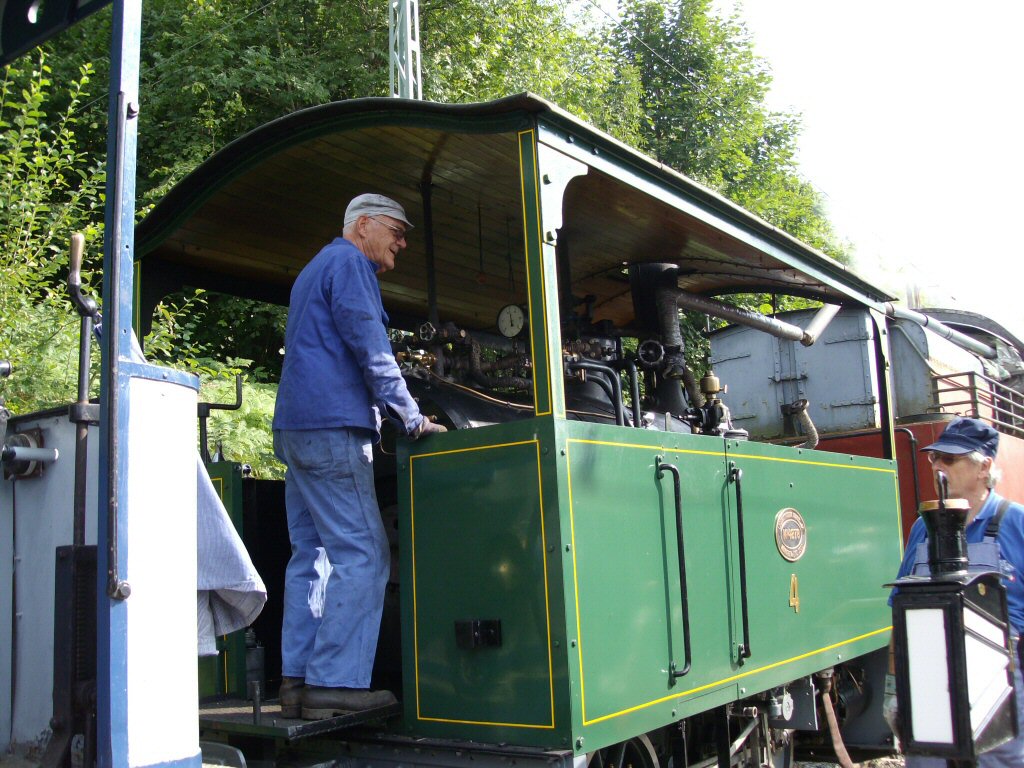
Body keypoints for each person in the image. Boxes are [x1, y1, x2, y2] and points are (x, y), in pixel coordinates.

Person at [272, 193, 446, 720]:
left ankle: (296, 681)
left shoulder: (315, 267)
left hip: (296, 429)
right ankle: (336, 683)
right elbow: (373, 348)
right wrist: (412, 418)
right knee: (364, 554)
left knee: (312, 555)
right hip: (332, 428)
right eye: (396, 231)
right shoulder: (349, 265)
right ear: (363, 224)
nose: (402, 243)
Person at [885, 417, 1024, 766]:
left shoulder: (1017, 524)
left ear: (984, 467)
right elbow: (901, 609)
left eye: (950, 459)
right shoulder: (923, 528)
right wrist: (893, 686)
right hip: (926, 676)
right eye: (935, 458)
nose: (937, 467)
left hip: (1001, 679)